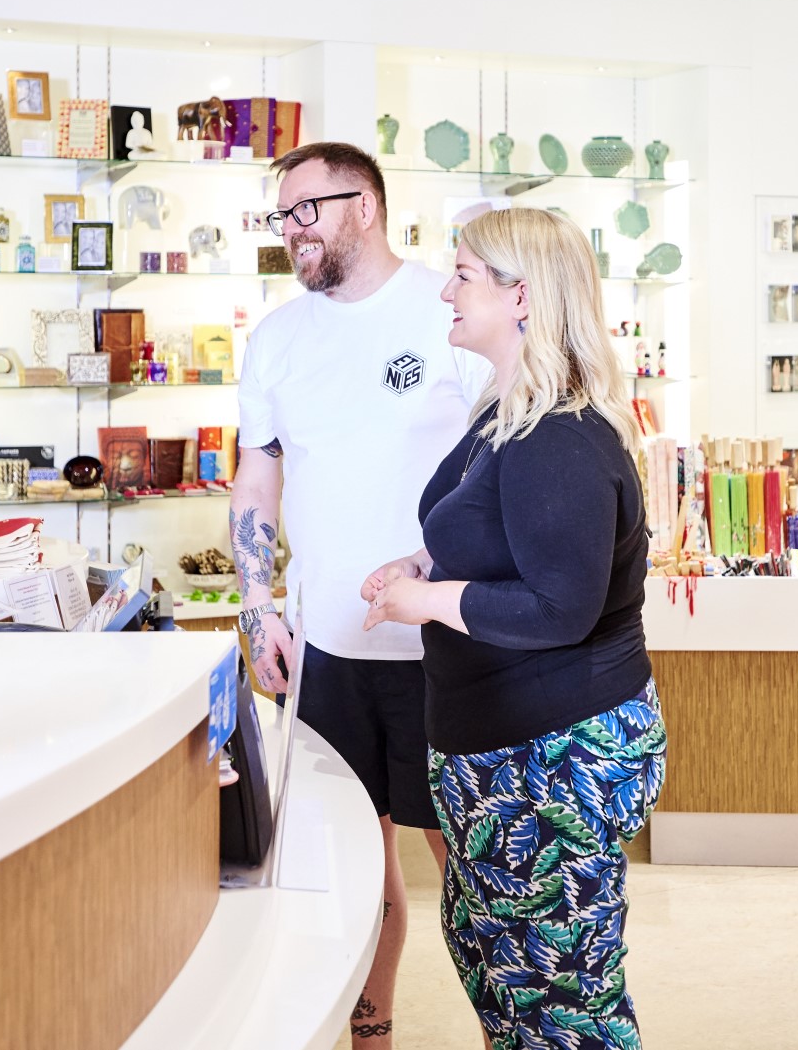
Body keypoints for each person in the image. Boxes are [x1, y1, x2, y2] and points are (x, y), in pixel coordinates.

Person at [361, 207, 666, 1050]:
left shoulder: (559, 434)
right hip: (500, 759)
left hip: (554, 762)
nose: (445, 291)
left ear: (522, 294)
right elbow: (496, 540)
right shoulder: (508, 414)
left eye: (463, 274)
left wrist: (428, 601)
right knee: (506, 982)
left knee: (561, 1005)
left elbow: (559, 607)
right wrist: (422, 565)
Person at [229, 140, 492, 1047]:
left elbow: (497, 464)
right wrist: (256, 599)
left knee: (470, 860)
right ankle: (368, 1032)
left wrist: (429, 568)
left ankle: (517, 1024)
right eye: (283, 214)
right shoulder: (278, 339)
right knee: (351, 864)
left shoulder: (448, 310)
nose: (292, 230)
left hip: (447, 648)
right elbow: (257, 479)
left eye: (309, 209)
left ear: (366, 207)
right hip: (325, 649)